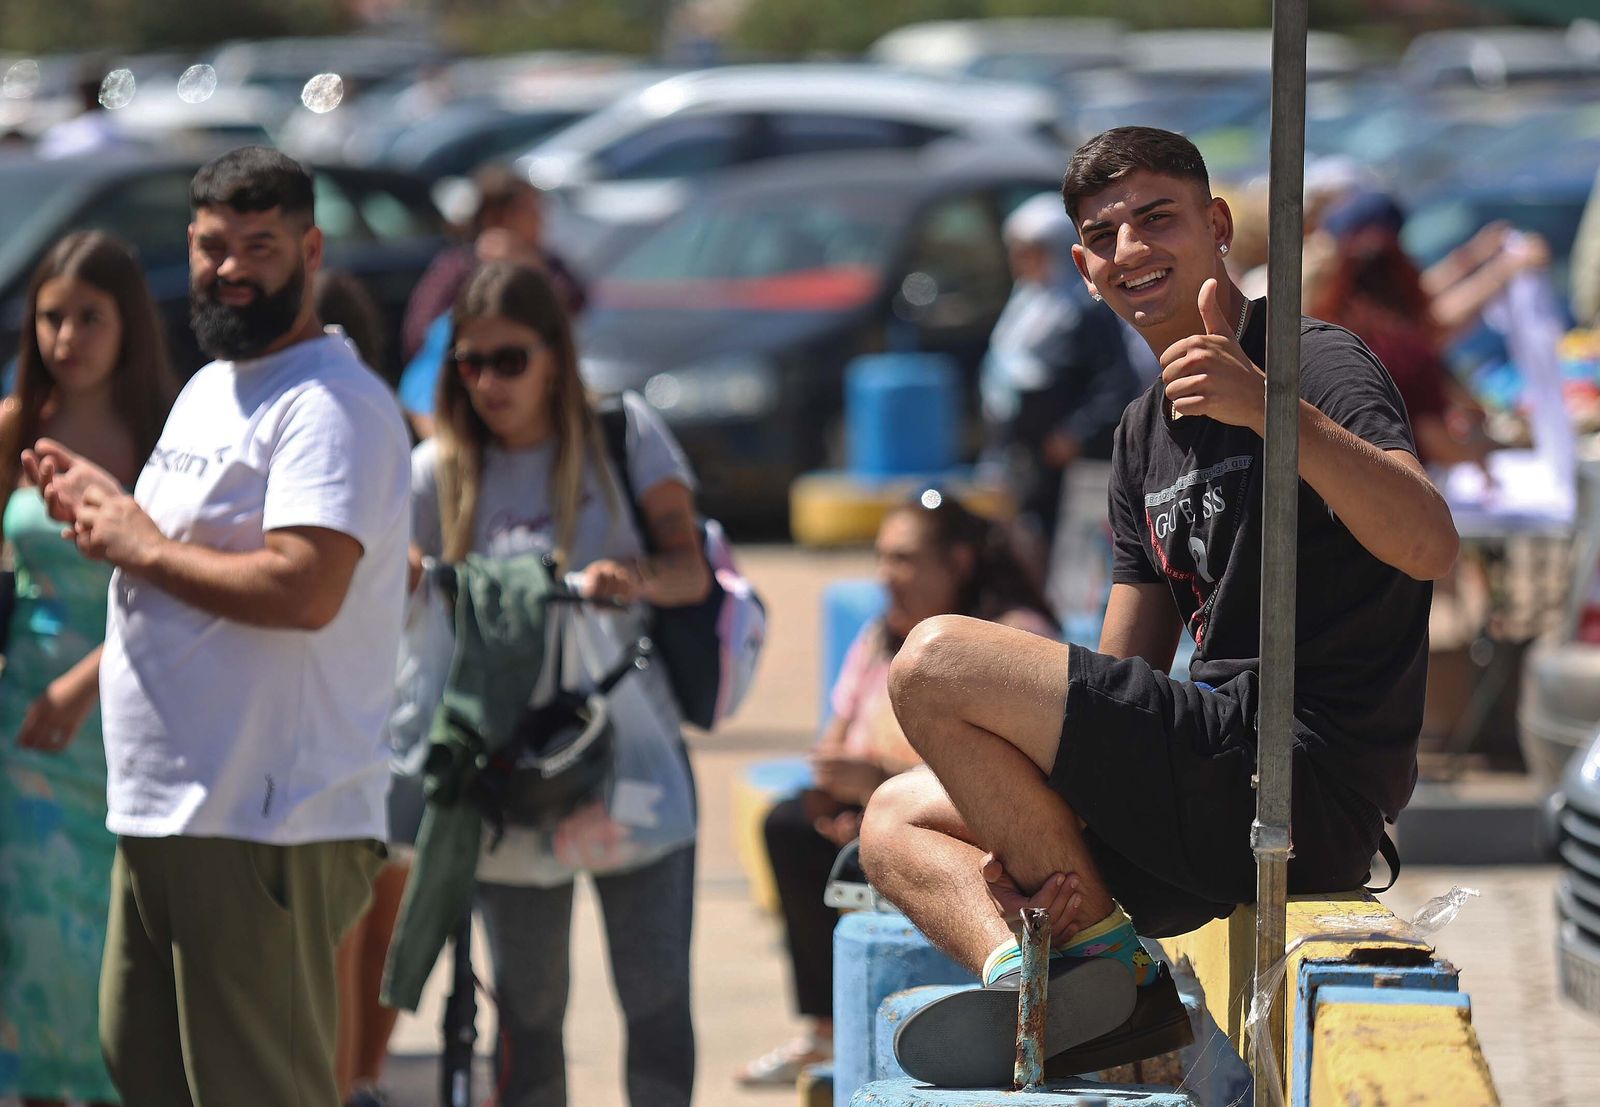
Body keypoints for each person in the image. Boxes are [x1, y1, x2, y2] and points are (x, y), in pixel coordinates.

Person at [857, 126, 1460, 1086]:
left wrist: (1266, 405)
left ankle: (1106, 976)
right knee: (894, 820)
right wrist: (1026, 819)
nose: (1131, 249)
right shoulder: (1140, 436)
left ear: (1217, 225)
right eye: (1104, 234)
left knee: (932, 660)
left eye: (1156, 218)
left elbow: (1429, 541)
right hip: (1204, 784)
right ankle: (1053, 975)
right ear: (1082, 269)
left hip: (1299, 774)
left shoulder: (1312, 360)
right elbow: (1120, 677)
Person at [25, 146, 412, 1106]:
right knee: (140, 1067)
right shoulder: (211, 387)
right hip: (165, 806)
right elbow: (165, 550)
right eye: (211, 246)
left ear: (311, 249)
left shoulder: (331, 406)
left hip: (262, 819)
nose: (230, 267)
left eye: (259, 244)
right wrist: (107, 514)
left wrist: (140, 544)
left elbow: (303, 589)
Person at [409, 261, 709, 1107]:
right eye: (470, 362)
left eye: (510, 359)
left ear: (554, 354)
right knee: (529, 1018)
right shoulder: (438, 470)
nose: (489, 382)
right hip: (510, 776)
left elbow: (695, 573)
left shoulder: (622, 436)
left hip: (628, 763)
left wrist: (637, 575)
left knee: (655, 1004)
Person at [737, 490, 1057, 1086]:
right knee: (787, 825)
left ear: (957, 563)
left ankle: (1011, 992)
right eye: (882, 557)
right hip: (872, 819)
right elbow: (834, 745)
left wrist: (879, 787)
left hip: (969, 831)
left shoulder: (1009, 640)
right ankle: (824, 1032)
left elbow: (1014, 780)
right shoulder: (880, 636)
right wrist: (840, 795)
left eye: (905, 559)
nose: (887, 576)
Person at [0, 231, 176, 1107]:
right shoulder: (12, 427)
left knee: (116, 951)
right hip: (23, 721)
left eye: (89, 317)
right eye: (50, 316)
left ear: (129, 324)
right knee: (31, 940)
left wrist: (87, 679)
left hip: (132, 714)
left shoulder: (164, 432)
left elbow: (176, 590)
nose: (65, 337)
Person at [1310, 190, 1549, 469]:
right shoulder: (1401, 349)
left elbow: (1423, 298)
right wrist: (1505, 269)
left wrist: (1478, 256)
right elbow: (1434, 320)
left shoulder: (1332, 318)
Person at [981, 193, 1140, 579]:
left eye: (1029, 251)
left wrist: (1075, 434)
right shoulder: (1027, 303)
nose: (1020, 262)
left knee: (1073, 558)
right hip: (1029, 458)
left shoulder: (1085, 310)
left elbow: (1115, 383)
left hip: (1071, 461)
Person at [398, 167, 587, 433]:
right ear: (496, 216)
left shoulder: (545, 263)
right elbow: (419, 335)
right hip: (459, 415)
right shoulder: (457, 267)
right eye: (529, 211)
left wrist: (529, 268)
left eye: (510, 361)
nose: (540, 220)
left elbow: (578, 303)